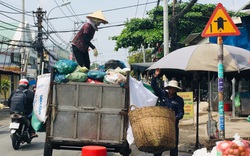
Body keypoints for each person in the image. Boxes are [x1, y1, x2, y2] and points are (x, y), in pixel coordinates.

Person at [151, 68, 184, 156]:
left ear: (176, 90)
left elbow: (181, 113)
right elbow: (153, 86)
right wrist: (156, 76)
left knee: (173, 146)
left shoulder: (179, 100)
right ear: (168, 88)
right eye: (170, 88)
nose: (172, 90)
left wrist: (175, 118)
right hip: (161, 125)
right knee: (159, 145)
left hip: (173, 126)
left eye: (174, 89)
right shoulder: (162, 95)